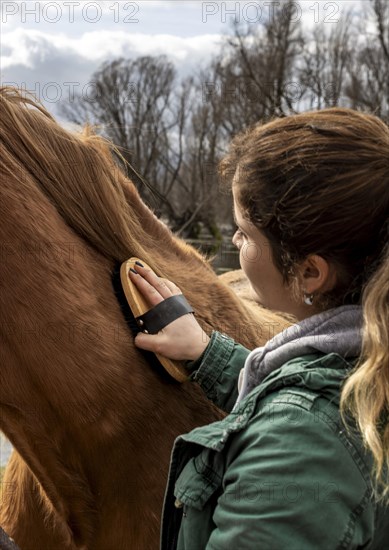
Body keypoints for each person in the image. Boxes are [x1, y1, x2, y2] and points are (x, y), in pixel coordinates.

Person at [129, 108, 389, 549]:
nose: (234, 242)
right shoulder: (367, 359)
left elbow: (309, 428)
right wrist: (209, 355)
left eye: (245, 233)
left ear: (309, 273)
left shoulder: (298, 449)